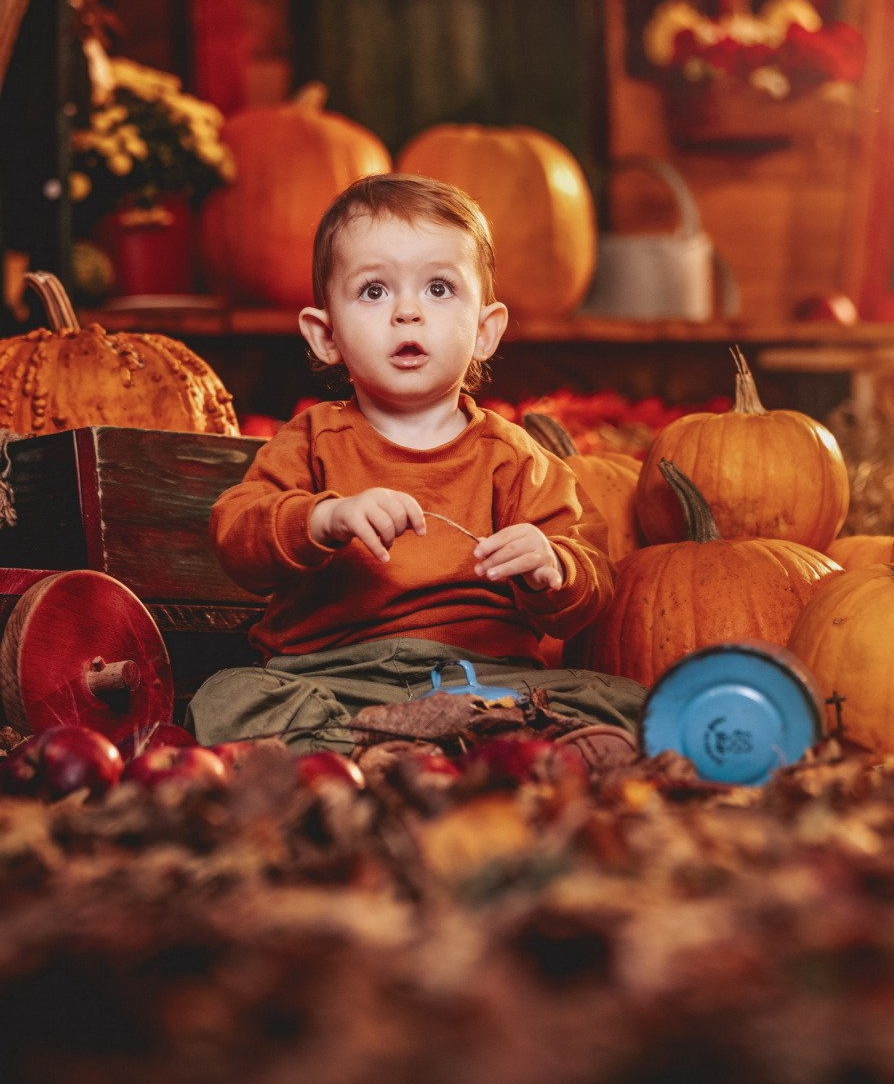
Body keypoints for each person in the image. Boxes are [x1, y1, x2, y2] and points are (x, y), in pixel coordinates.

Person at [186, 173, 647, 756]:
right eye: (374, 291)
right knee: (229, 699)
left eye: (438, 288)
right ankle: (421, 749)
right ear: (325, 335)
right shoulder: (312, 440)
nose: (407, 312)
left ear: (485, 331)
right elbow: (237, 534)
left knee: (625, 699)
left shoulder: (515, 459)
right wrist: (322, 519)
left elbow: (591, 586)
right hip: (334, 679)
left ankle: (417, 747)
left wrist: (551, 564)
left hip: (483, 680)